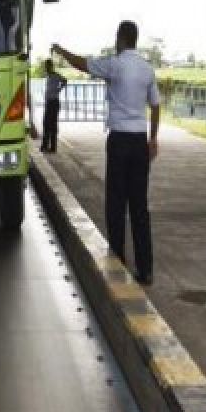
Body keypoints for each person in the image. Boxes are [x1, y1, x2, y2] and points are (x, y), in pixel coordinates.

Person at [52, 21, 161, 285]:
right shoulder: (147, 69)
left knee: (116, 202)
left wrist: (61, 51)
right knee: (139, 206)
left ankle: (118, 262)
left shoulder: (115, 64)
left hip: (119, 141)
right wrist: (153, 139)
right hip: (138, 142)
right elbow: (156, 106)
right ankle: (145, 270)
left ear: (121, 39)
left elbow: (82, 64)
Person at [42, 58, 67, 153]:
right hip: (49, 102)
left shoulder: (55, 75)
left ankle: (52, 147)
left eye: (48, 66)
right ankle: (45, 146)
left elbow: (65, 80)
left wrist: (59, 89)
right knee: (46, 124)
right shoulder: (48, 76)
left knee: (52, 125)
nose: (46, 67)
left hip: (53, 102)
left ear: (51, 66)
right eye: (46, 66)